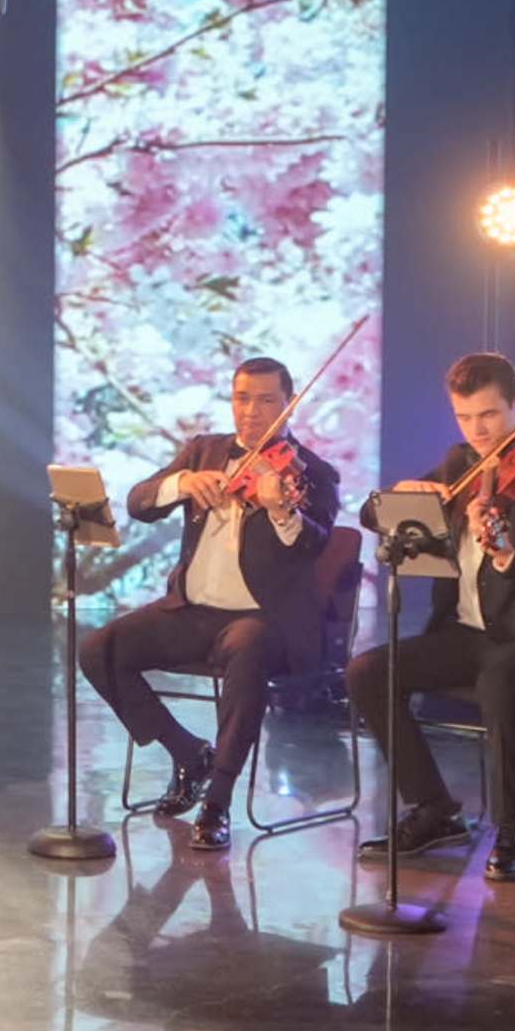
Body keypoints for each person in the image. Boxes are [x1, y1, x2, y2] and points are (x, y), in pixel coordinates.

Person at [72, 356, 343, 852]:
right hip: (193, 612)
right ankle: (187, 752)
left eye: (266, 401)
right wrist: (181, 483)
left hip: (265, 620)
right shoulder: (203, 452)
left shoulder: (314, 473)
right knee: (97, 650)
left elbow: (314, 543)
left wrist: (280, 509)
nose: (252, 411)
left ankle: (217, 800)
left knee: (249, 648)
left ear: (288, 406)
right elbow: (138, 502)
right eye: (242, 399)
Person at [347, 352, 515, 883]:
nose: (477, 430)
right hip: (468, 635)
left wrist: (506, 549)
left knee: (502, 676)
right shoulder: (460, 463)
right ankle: (435, 809)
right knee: (368, 671)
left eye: (488, 415)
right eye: (464, 417)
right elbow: (372, 515)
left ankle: (513, 833)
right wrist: (405, 495)